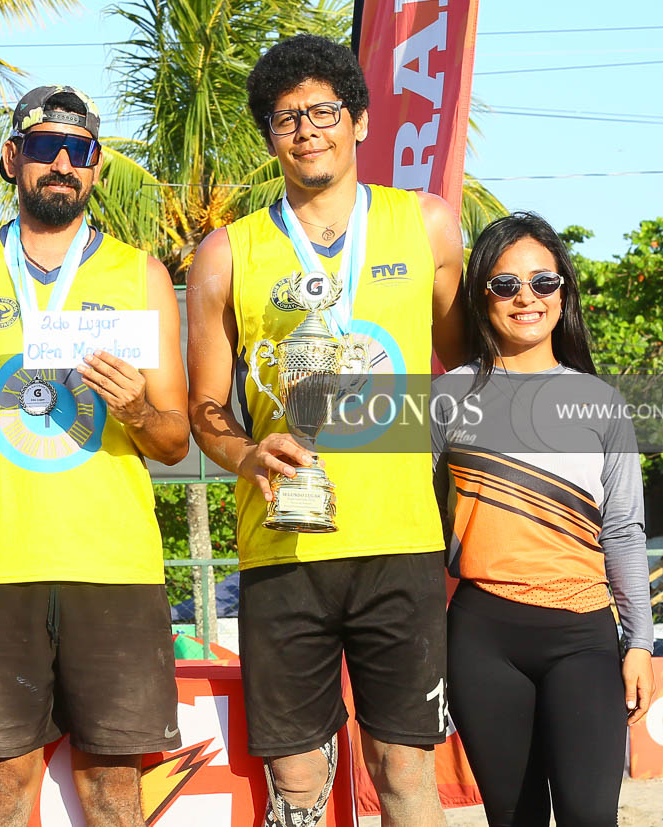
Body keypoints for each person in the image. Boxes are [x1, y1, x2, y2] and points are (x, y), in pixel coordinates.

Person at [186, 35, 464, 827]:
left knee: (403, 767)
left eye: (323, 111)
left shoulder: (427, 224)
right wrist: (245, 451)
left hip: (400, 541)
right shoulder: (226, 253)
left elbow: (471, 372)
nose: (306, 130)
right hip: (283, 543)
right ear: (269, 136)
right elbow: (205, 408)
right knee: (298, 780)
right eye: (286, 118)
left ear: (360, 121)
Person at [0, 85, 189, 825]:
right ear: (13, 158)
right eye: (44, 148)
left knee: (114, 792)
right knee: (3, 790)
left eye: (81, 151)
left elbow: (173, 442)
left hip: (115, 567)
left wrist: (136, 408)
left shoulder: (141, 274)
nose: (63, 164)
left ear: (96, 167)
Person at [433, 212, 654, 825]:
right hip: (481, 638)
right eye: (505, 284)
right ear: (482, 296)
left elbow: (624, 532)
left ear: (563, 293)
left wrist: (639, 643)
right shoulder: (444, 399)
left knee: (590, 815)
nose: (525, 298)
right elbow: (422, 532)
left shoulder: (601, 402)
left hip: (583, 638)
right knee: (513, 817)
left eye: (543, 282)